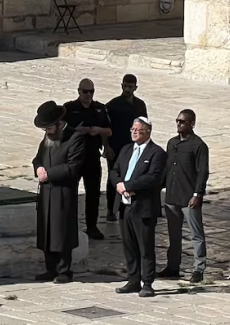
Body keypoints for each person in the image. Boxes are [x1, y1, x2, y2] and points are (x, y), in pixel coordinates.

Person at [109, 117, 166, 298]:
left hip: (144, 207)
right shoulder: (126, 150)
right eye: (132, 129)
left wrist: (129, 186)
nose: (134, 132)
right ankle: (133, 279)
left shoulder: (156, 153)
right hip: (125, 206)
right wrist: (119, 183)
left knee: (145, 247)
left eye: (138, 130)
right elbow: (114, 170)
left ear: (147, 132)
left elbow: (153, 178)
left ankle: (147, 282)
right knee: (129, 245)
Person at [32, 101, 85, 284]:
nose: (47, 131)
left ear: (59, 124)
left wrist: (50, 174)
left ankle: (64, 270)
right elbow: (37, 159)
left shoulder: (74, 138)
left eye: (49, 127)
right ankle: (50, 268)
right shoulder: (46, 140)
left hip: (63, 192)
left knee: (62, 232)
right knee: (47, 231)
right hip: (46, 193)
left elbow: (73, 167)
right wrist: (38, 168)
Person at [160, 109, 210, 284]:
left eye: (182, 121)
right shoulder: (172, 143)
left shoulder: (198, 146)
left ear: (192, 124)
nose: (179, 124)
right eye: (177, 121)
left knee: (196, 234)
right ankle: (173, 266)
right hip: (172, 196)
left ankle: (199, 268)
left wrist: (198, 194)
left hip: (189, 198)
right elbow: (167, 168)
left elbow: (202, 172)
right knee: (173, 235)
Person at [64, 79, 112, 240]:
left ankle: (92, 226)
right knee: (69, 192)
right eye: (85, 92)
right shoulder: (69, 108)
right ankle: (67, 225)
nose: (88, 95)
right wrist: (76, 130)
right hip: (74, 157)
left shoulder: (99, 108)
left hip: (92, 155)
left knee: (93, 193)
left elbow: (109, 131)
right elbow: (61, 128)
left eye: (91, 92)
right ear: (79, 91)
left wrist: (99, 131)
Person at [105, 74, 148, 221]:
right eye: (125, 86)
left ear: (135, 87)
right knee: (114, 177)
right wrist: (106, 147)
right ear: (121, 86)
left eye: (131, 86)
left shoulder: (140, 105)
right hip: (116, 146)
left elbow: (145, 125)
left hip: (133, 147)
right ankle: (111, 209)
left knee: (131, 176)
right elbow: (106, 127)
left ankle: (126, 206)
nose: (128, 89)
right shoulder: (112, 105)